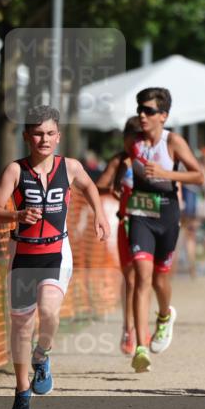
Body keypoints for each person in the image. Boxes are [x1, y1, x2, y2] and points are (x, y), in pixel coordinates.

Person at [0, 105, 109, 409]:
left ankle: (42, 356)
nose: (44, 139)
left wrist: (100, 215)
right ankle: (22, 390)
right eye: (38, 133)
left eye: (50, 133)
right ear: (27, 136)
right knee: (21, 325)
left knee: (50, 312)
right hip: (23, 253)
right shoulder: (15, 171)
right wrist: (16, 215)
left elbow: (90, 187)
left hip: (56, 251)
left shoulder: (70, 167)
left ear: (59, 136)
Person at [126, 87, 205, 373]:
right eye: (139, 110)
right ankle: (140, 346)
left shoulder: (173, 141)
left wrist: (166, 174)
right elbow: (123, 161)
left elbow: (199, 175)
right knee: (140, 274)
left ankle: (164, 316)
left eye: (148, 111)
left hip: (167, 215)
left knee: (160, 280)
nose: (142, 115)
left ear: (163, 116)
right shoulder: (132, 141)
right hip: (139, 214)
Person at [94, 116, 144, 355]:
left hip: (149, 223)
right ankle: (129, 328)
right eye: (129, 139)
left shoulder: (149, 159)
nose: (132, 144)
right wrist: (114, 190)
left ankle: (142, 324)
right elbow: (98, 185)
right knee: (131, 280)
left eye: (137, 139)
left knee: (146, 279)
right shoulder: (119, 161)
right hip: (126, 223)